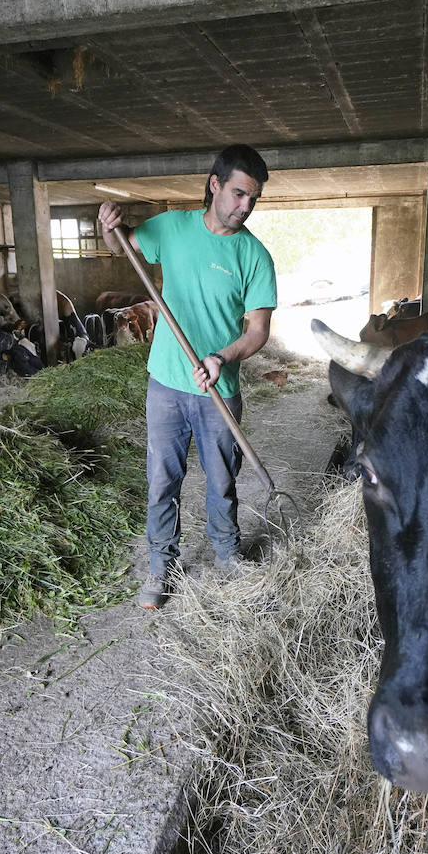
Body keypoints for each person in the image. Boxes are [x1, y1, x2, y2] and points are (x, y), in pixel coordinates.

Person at [98, 144, 277, 609]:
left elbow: (258, 331)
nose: (245, 207)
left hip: (220, 387)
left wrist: (221, 357)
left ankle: (227, 555)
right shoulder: (172, 227)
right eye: (239, 194)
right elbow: (121, 247)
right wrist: (108, 228)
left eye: (253, 199)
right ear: (215, 185)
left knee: (221, 480)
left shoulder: (255, 256)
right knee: (162, 479)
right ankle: (161, 566)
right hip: (166, 383)